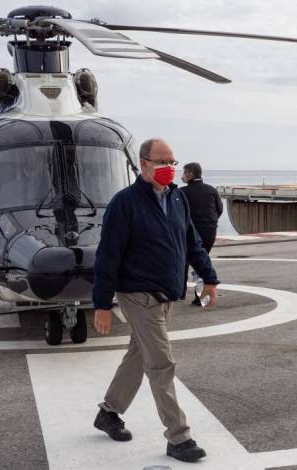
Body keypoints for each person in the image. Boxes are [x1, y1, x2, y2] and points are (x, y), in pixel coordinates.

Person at [92, 138, 219, 463]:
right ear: (143, 164)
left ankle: (109, 412)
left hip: (166, 294)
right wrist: (102, 304)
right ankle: (179, 438)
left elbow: (191, 242)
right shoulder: (125, 203)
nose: (169, 168)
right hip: (137, 293)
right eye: (162, 162)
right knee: (161, 363)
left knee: (139, 353)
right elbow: (108, 256)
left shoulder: (177, 199)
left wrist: (209, 277)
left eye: (173, 162)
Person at [180, 162, 223, 305]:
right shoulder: (211, 190)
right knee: (202, 261)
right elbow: (219, 209)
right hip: (210, 231)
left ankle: (182, 292)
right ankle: (201, 296)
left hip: (191, 233)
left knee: (184, 261)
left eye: (185, 172)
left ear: (191, 173)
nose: (183, 175)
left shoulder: (182, 192)